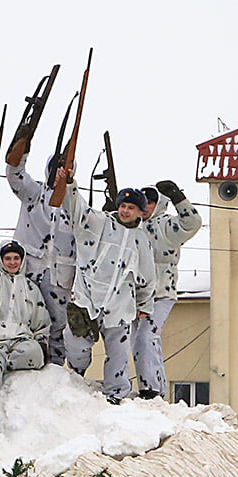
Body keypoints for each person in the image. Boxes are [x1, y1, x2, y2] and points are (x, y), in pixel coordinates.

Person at [58, 171, 156, 404]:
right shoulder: (98, 222)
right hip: (86, 299)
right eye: (123, 205)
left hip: (119, 306)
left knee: (118, 357)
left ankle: (116, 395)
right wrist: (69, 184)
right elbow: (76, 208)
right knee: (76, 346)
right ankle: (76, 379)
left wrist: (144, 305)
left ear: (140, 212)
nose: (125, 211)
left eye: (131, 207)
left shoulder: (142, 241)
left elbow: (148, 277)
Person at [5, 128, 76, 366]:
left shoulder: (75, 206)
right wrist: (22, 148)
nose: (60, 173)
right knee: (26, 320)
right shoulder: (34, 194)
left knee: (58, 326)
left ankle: (55, 371)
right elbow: (15, 175)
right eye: (57, 168)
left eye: (66, 169)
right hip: (29, 272)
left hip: (60, 278)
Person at [131, 181, 203, 399]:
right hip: (136, 294)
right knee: (141, 341)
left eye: (151, 202)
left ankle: (150, 388)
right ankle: (157, 388)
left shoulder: (167, 225)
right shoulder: (133, 227)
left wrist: (178, 198)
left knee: (146, 337)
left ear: (159, 203)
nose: (146, 207)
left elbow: (192, 223)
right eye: (143, 202)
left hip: (161, 293)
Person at [0, 239, 51, 409]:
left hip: (20, 340)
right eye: (8, 258)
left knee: (35, 353)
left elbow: (42, 321)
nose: (12, 262)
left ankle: (5, 363)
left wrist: (42, 343)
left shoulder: (31, 288)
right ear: (1, 260)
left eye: (16, 258)